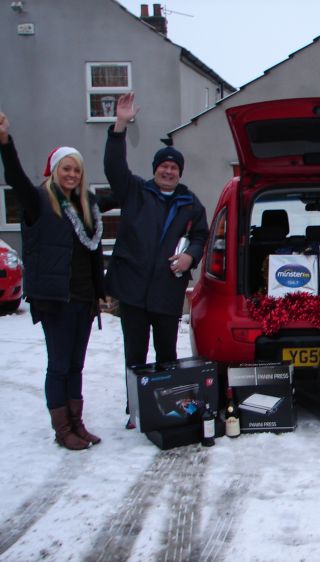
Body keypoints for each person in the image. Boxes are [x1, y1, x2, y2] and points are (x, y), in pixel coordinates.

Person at [0, 112, 104, 450]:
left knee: (76, 365)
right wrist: (5, 142)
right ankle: (62, 431)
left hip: (84, 299)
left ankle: (77, 423)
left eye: (76, 169)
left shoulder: (87, 206)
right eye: (66, 168)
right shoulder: (39, 202)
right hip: (57, 300)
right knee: (59, 366)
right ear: (54, 171)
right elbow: (14, 177)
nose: (72, 174)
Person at [104, 92, 208, 426]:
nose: (168, 170)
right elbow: (113, 167)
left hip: (166, 291)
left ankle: (168, 406)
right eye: (163, 165)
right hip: (133, 291)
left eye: (174, 167)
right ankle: (134, 410)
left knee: (167, 356)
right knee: (134, 355)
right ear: (155, 170)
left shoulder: (190, 203)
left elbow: (200, 236)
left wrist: (190, 258)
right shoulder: (135, 191)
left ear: (179, 172)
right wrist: (120, 125)